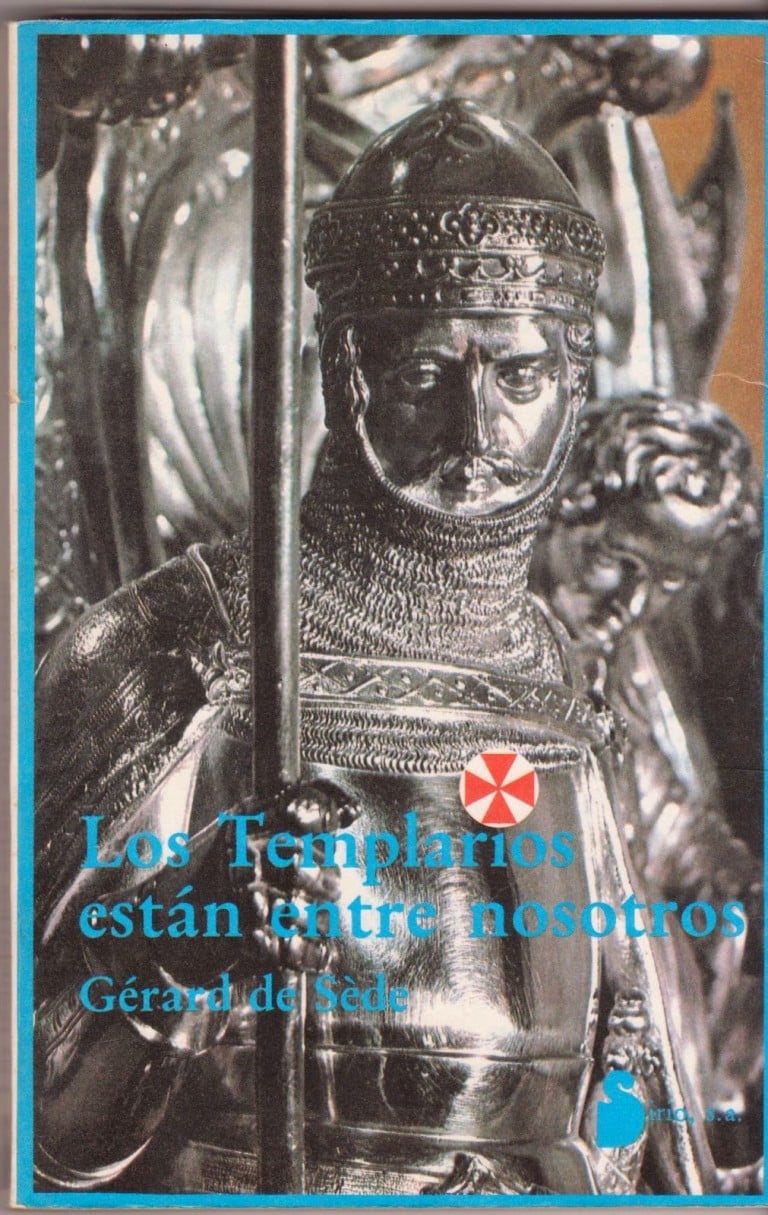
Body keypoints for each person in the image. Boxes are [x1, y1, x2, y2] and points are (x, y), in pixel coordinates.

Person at [34, 100, 745, 1196]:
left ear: (575, 380)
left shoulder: (555, 673)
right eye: (424, 376)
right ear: (344, 370)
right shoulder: (184, 650)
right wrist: (182, 944)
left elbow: (619, 1054)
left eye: (518, 377)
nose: (477, 435)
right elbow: (40, 1120)